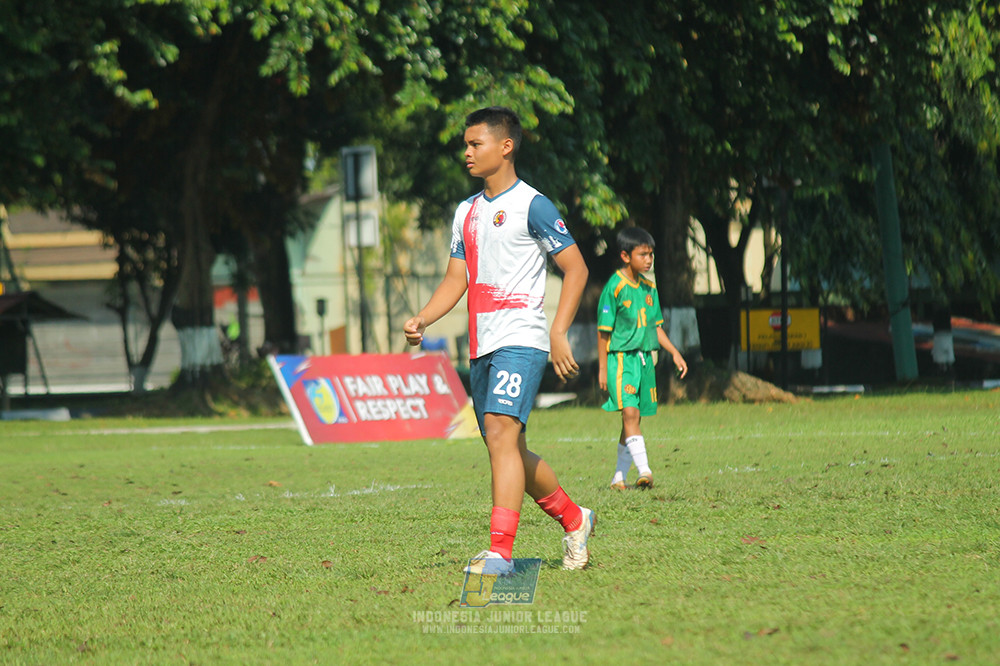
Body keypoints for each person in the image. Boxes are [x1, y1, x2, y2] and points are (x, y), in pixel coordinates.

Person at [403, 106, 594, 573]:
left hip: (521, 339)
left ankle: (500, 555)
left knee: (502, 433)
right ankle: (575, 519)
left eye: (476, 144)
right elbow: (457, 278)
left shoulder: (534, 205)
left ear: (505, 147)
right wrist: (424, 318)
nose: (467, 153)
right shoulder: (465, 212)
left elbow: (576, 268)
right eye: (466, 145)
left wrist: (558, 331)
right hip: (481, 345)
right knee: (506, 446)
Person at [597, 227, 688, 490]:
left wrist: (674, 352)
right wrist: (602, 369)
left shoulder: (649, 288)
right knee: (630, 412)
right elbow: (603, 332)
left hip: (644, 361)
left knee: (633, 419)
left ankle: (618, 477)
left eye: (651, 255)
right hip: (621, 361)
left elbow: (655, 327)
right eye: (643, 255)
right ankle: (645, 470)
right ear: (626, 256)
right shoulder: (614, 287)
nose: (649, 260)